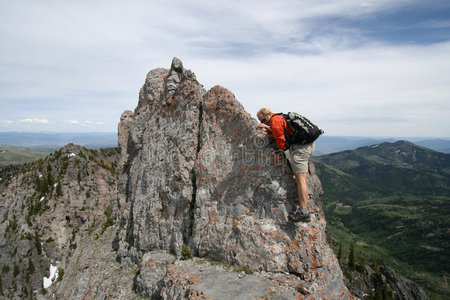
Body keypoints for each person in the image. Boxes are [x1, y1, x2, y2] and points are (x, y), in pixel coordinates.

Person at [257, 108, 315, 222]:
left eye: (263, 120)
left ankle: (303, 211)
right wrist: (268, 128)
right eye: (261, 122)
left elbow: (281, 139)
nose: (264, 122)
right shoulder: (279, 118)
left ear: (268, 115)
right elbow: (281, 131)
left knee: (300, 178)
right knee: (299, 178)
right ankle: (301, 201)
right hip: (304, 146)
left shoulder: (275, 119)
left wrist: (279, 152)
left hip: (301, 149)